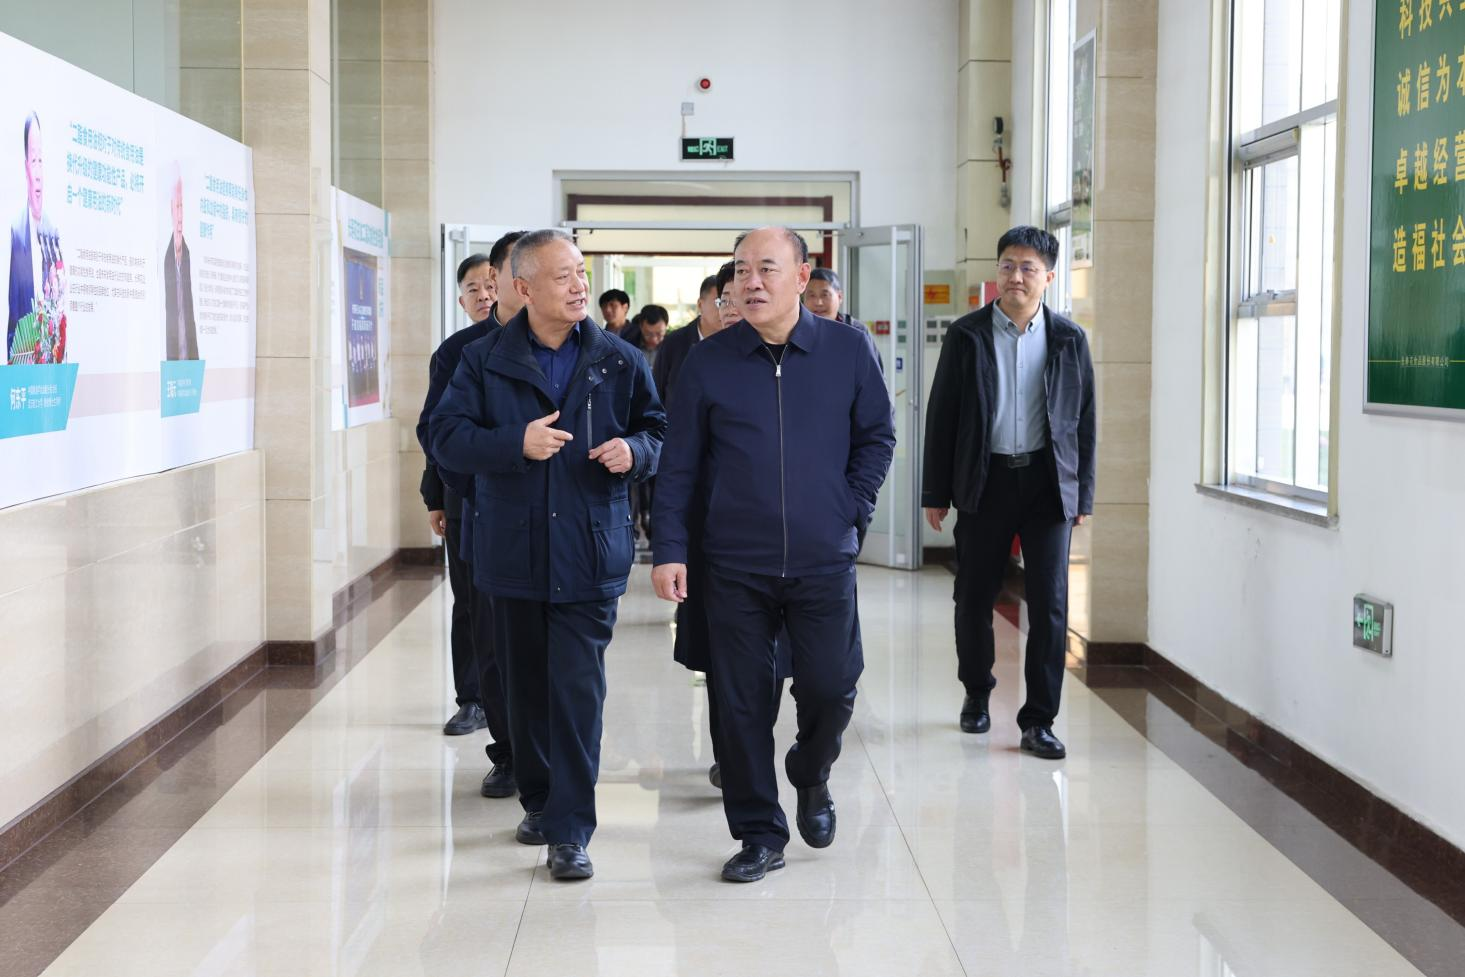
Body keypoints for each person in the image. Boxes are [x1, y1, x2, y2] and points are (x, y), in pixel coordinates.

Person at [652, 226, 894, 883]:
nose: (750, 282)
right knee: (739, 702)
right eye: (740, 270)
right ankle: (759, 832)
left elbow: (877, 436)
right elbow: (678, 464)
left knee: (831, 686)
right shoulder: (708, 360)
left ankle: (810, 770)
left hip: (823, 558)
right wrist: (670, 548)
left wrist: (850, 509)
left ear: (801, 276)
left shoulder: (847, 350)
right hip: (732, 561)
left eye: (766, 268)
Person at [431, 229, 666, 882]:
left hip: (589, 550)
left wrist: (634, 452)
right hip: (511, 553)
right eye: (562, 276)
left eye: (581, 273)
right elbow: (445, 438)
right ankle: (539, 799)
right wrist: (514, 443)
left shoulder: (620, 360)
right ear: (522, 288)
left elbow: (657, 430)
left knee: (577, 694)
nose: (579, 285)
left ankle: (570, 828)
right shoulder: (481, 360)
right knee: (525, 693)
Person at [921, 225, 1095, 761]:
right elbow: (942, 415)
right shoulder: (967, 335)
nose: (1015, 276)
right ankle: (977, 691)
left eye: (1027, 268)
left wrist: (1082, 495)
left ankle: (1039, 720)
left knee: (1050, 603)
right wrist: (936, 491)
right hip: (986, 478)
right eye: (1006, 266)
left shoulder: (1069, 339)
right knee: (973, 595)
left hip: (1047, 484)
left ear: (1048, 276)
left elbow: (1084, 421)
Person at [415, 233, 526, 807]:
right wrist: (443, 493)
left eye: (491, 283)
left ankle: (540, 749)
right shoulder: (459, 352)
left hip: (543, 514)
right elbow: (435, 432)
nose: (485, 293)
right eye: (475, 287)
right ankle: (486, 718)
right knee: (480, 618)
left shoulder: (574, 345)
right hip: (473, 508)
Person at [8, 112, 63, 363]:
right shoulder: (17, 234)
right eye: (33, 160)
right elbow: (12, 332)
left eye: (41, 160)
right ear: (25, 168)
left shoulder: (54, 234)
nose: (38, 172)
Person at [804, 267, 882, 372]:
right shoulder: (796, 332)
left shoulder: (857, 331)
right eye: (811, 295)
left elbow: (875, 375)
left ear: (839, 297)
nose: (818, 302)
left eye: (824, 295)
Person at [163, 166, 201, 361]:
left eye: (182, 207)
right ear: (171, 209)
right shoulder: (165, 259)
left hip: (191, 366)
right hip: (171, 367)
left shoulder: (187, 254)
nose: (180, 215)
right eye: (177, 206)